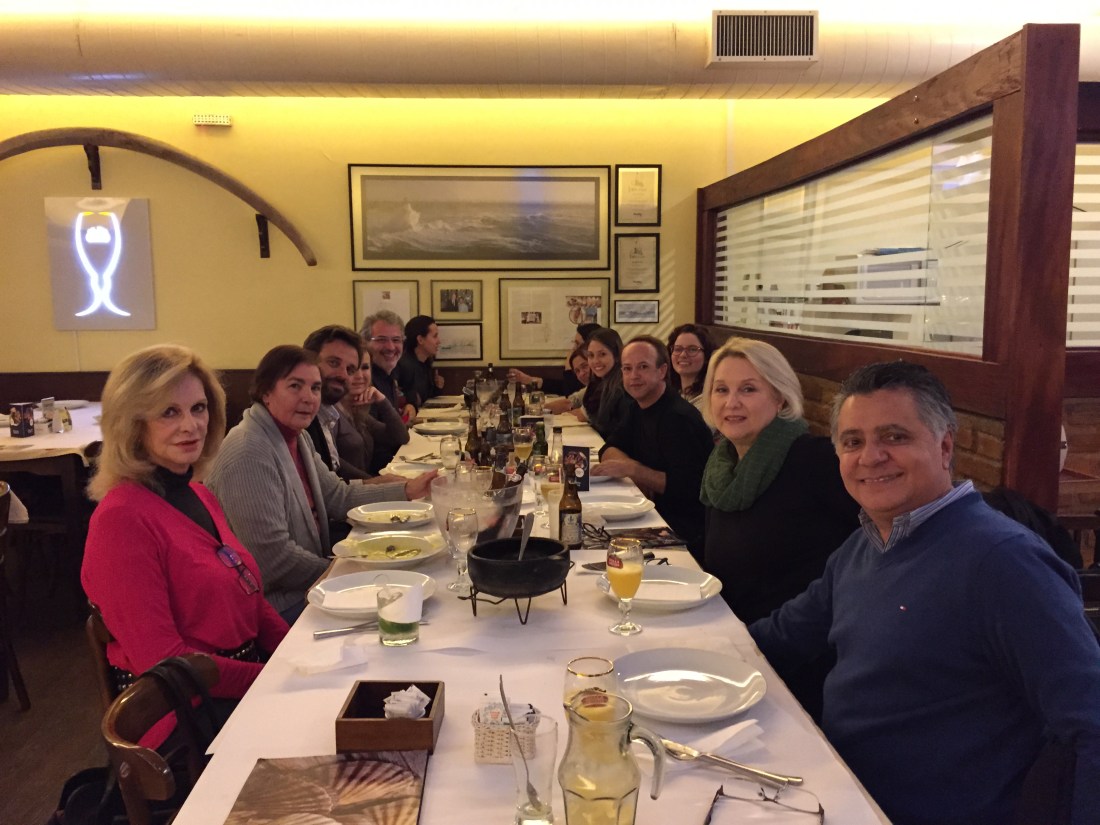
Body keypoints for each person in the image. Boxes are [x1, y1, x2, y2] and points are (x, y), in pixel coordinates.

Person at [750, 361, 1100, 825]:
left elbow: (1090, 720)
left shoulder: (1003, 562)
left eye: (894, 437)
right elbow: (783, 636)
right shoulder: (866, 544)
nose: (870, 457)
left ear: (945, 445)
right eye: (853, 442)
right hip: (835, 788)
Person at [81, 344, 288, 748]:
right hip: (184, 719)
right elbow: (168, 665)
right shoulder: (121, 520)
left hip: (239, 687)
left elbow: (249, 597)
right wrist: (273, 678)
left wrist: (296, 657)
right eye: (169, 413)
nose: (191, 425)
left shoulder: (199, 493)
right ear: (132, 424)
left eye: (198, 408)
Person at [205, 345, 436, 623]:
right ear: (266, 392)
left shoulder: (295, 436)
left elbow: (338, 496)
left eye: (315, 388)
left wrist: (408, 490)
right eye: (295, 386)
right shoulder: (248, 451)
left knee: (417, 589)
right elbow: (273, 560)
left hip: (309, 586)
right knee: (403, 608)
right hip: (273, 607)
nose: (308, 397)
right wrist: (344, 574)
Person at [700, 337, 858, 623]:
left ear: (780, 396)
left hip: (789, 638)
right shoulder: (722, 465)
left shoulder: (815, 459)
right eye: (721, 389)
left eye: (748, 389)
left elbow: (873, 543)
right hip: (725, 622)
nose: (731, 403)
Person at [595, 336, 713, 556]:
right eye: (627, 368)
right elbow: (608, 448)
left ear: (662, 371)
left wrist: (635, 470)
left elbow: (690, 489)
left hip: (683, 532)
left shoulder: (678, 419)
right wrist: (635, 470)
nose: (634, 376)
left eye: (643, 367)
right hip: (651, 514)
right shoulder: (638, 407)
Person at [302, 324, 371, 481]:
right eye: (333, 363)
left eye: (350, 370)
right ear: (308, 361)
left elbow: (331, 481)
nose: (343, 375)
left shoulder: (328, 414)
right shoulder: (300, 416)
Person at [337, 357, 410, 476]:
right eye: (351, 369)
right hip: (358, 486)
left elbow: (401, 437)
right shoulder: (331, 413)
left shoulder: (356, 411)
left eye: (365, 367)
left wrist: (382, 401)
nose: (359, 375)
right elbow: (335, 465)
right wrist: (375, 482)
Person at [509, 322, 600, 397]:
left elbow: (570, 394)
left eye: (578, 344)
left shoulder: (600, 380)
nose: (573, 349)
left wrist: (568, 368)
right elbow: (563, 388)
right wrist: (529, 379)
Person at [359, 309, 415, 422]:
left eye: (396, 340)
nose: (390, 347)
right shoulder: (362, 381)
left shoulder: (390, 375)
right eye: (381, 340)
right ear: (365, 342)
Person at [397, 315, 445, 409]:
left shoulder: (426, 362)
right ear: (420, 340)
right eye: (435, 336)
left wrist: (437, 388)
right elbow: (404, 400)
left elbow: (426, 397)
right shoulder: (404, 365)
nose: (439, 341)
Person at [667, 323, 715, 414]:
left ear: (707, 356)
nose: (683, 355)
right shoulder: (671, 393)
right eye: (678, 349)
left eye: (692, 349)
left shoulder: (708, 402)